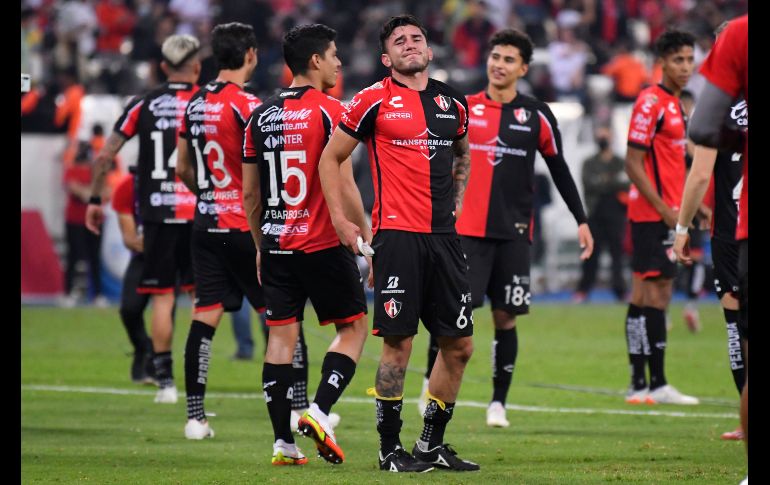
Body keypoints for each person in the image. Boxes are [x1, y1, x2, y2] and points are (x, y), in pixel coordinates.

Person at [318, 14, 479, 472]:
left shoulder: (453, 102)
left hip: (445, 240)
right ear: (387, 58)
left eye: (417, 38)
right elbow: (331, 158)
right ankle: (390, 451)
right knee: (399, 345)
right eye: (399, 41)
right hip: (398, 238)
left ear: (428, 51)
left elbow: (462, 153)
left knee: (459, 345)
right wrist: (342, 222)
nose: (410, 44)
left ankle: (430, 444)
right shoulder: (372, 99)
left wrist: (458, 201)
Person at [430, 28, 593, 428]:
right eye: (495, 57)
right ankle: (428, 388)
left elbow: (559, 168)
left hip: (513, 233)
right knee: (452, 315)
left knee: (506, 317)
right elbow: (436, 165)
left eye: (508, 60)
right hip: (464, 232)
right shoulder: (463, 108)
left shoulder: (536, 114)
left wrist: (581, 219)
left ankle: (497, 403)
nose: (498, 65)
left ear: (523, 68)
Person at [242, 23, 369, 466]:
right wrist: (365, 228)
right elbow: (346, 182)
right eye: (334, 54)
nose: (339, 62)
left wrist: (261, 245)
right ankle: (318, 410)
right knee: (353, 328)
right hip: (320, 241)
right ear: (315, 61)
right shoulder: (333, 111)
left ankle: (283, 445)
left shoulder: (259, 116)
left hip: (276, 244)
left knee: (280, 339)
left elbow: (251, 195)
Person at [86, 34, 201, 404]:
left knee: (162, 298)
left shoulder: (145, 103)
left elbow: (106, 154)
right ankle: (197, 387)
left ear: (162, 67)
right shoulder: (206, 102)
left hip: (158, 212)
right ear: (197, 66)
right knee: (205, 302)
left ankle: (165, 384)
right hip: (200, 211)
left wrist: (93, 197)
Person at [174, 22, 267, 440]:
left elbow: (182, 168)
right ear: (250, 54)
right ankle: (300, 409)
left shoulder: (194, 103)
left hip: (205, 222)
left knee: (203, 317)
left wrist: (208, 195)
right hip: (243, 225)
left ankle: (195, 418)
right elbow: (262, 173)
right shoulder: (248, 106)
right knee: (280, 316)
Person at [675, 14, 748, 477]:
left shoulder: (722, 106)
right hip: (728, 222)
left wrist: (682, 227)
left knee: (738, 329)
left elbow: (701, 171)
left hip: (734, 233)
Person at [623, 29, 699, 406]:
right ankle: (657, 383)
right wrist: (667, 211)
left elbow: (673, 165)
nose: (685, 67)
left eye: (689, 59)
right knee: (657, 293)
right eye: (678, 60)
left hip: (666, 211)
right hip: (654, 214)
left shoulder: (676, 104)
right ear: (663, 63)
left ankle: (641, 383)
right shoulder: (651, 101)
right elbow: (632, 162)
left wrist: (694, 205)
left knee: (644, 294)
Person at [111, 169, 157, 385]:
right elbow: (130, 239)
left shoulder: (177, 182)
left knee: (164, 310)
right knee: (129, 309)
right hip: (142, 256)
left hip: (171, 257)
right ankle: (142, 347)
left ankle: (158, 364)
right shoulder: (127, 186)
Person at [575, 126, 628, 303]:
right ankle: (583, 290)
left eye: (605, 135)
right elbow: (589, 184)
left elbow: (626, 183)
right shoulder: (589, 162)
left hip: (616, 212)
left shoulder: (620, 162)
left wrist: (604, 181)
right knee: (591, 253)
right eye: (600, 135)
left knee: (617, 255)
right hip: (595, 212)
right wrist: (612, 181)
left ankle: (620, 291)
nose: (603, 138)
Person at [62, 142, 108, 307]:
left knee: (95, 258)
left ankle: (97, 294)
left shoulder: (96, 172)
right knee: (73, 256)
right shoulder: (71, 170)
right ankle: (68, 293)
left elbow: (106, 192)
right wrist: (91, 193)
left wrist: (88, 192)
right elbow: (75, 190)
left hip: (94, 221)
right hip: (75, 220)